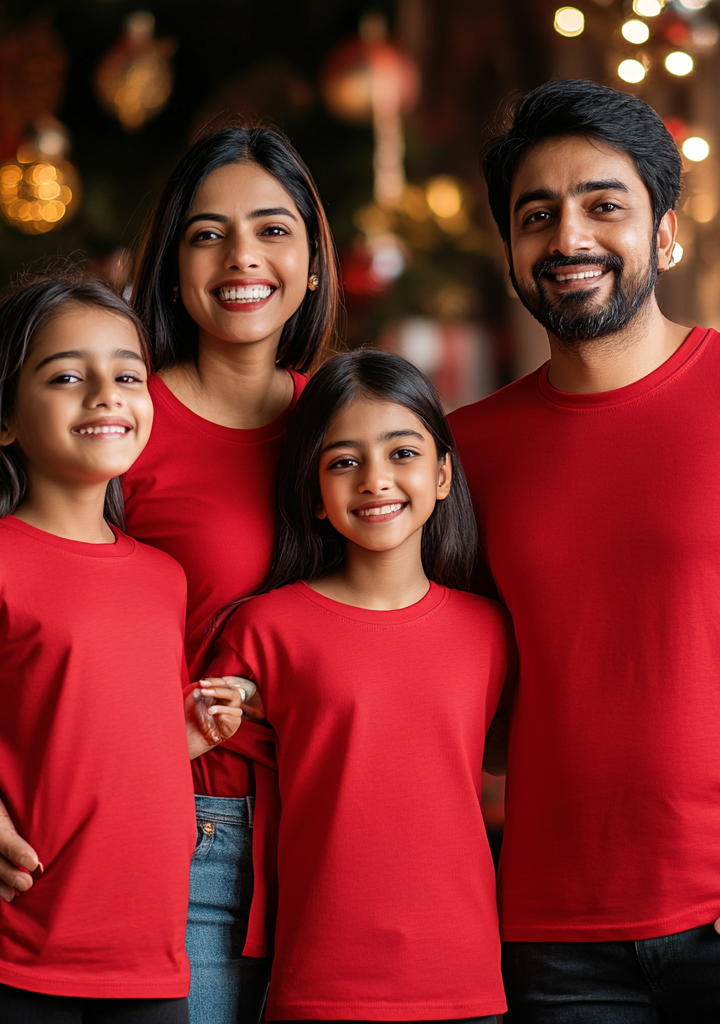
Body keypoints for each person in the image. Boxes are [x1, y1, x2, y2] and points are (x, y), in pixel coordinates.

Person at [448, 78, 720, 1022]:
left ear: (666, 231)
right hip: (553, 949)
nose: (569, 239)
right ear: (513, 249)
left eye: (605, 206)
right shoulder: (459, 453)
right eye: (537, 215)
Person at [0, 125, 342, 1024]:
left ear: (315, 261)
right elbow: (4, 595)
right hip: (178, 841)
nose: (243, 256)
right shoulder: (114, 416)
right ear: (169, 264)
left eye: (274, 229)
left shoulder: (357, 426)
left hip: (344, 835)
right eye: (207, 233)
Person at [0, 273, 245, 1024]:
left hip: (153, 970)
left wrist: (181, 734)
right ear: (4, 420)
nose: (106, 394)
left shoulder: (163, 577)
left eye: (126, 374)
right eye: (65, 376)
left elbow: (86, 745)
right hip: (11, 960)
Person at [203, 349, 510, 1023]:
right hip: (319, 982)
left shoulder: (489, 630)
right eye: (344, 462)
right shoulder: (264, 629)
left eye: (402, 454)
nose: (375, 479)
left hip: (466, 980)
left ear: (442, 475)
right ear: (314, 493)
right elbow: (175, 756)